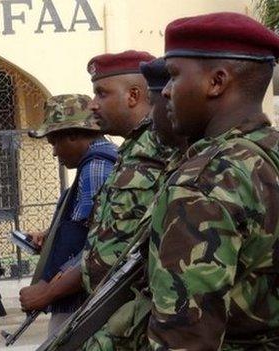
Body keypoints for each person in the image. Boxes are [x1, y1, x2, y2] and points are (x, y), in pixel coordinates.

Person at [148, 12, 279, 350]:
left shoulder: (203, 181)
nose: (165, 92)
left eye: (174, 75)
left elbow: (184, 340)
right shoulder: (269, 152)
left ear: (216, 82)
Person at [81, 57, 188, 351]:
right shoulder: (131, 148)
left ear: (134, 95)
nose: (92, 104)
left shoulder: (162, 144)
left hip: (138, 319)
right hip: (111, 316)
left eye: (102, 93)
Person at [17, 94, 117, 335]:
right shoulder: (94, 164)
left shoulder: (96, 167)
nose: (53, 153)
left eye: (54, 143)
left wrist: (48, 290)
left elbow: (96, 247)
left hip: (81, 301)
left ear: (73, 134)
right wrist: (51, 238)